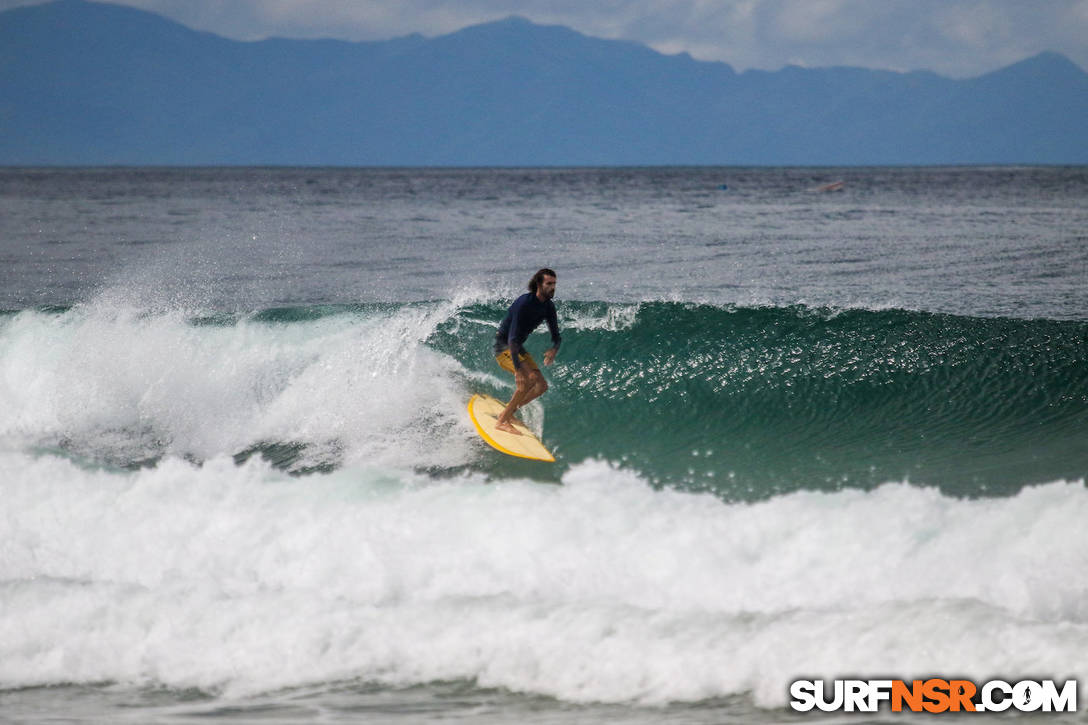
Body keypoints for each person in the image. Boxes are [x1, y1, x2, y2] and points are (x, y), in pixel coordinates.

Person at [493, 268, 561, 435]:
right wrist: (518, 370)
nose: (553, 287)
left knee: (541, 386)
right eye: (549, 284)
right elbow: (512, 338)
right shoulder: (524, 303)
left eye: (554, 284)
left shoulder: (548, 307)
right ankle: (501, 421)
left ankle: (506, 413)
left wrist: (554, 349)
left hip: (518, 347)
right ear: (538, 284)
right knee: (528, 379)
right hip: (504, 346)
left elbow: (556, 336)